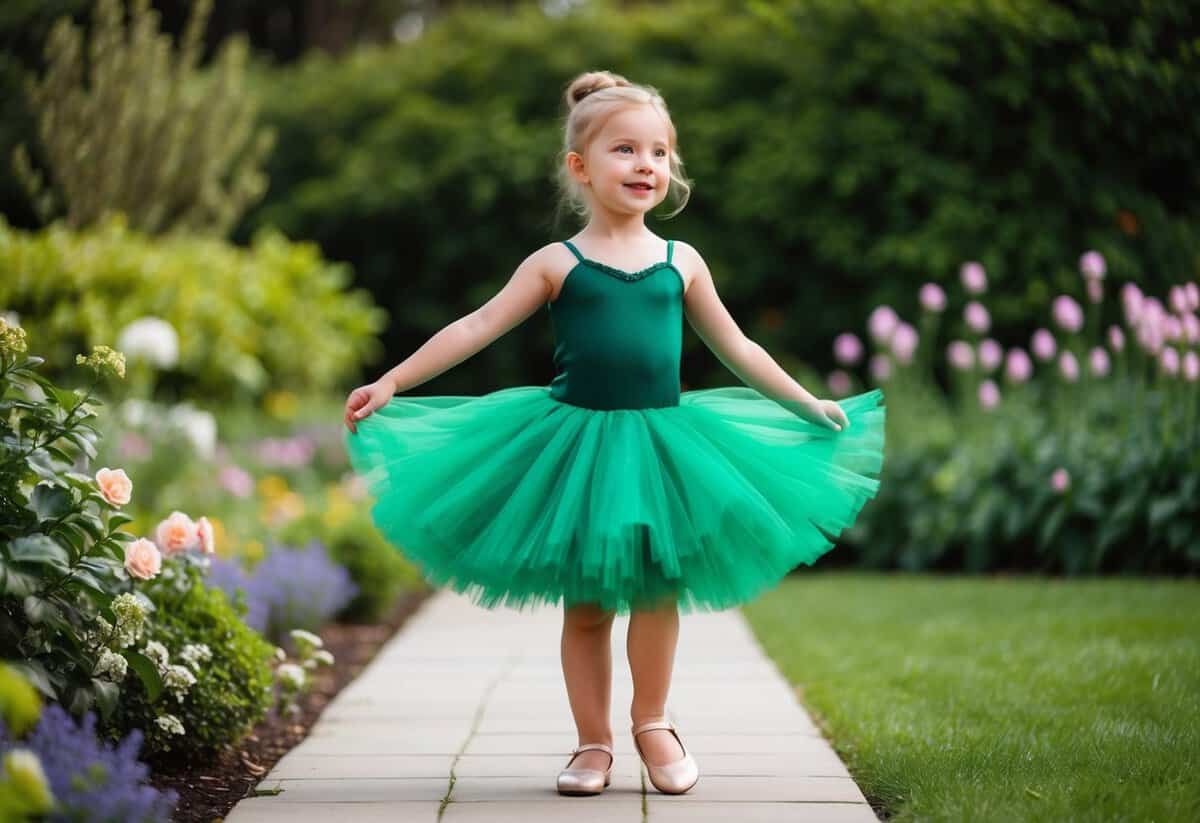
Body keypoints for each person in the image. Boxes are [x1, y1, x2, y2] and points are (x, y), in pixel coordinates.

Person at [342, 69, 886, 798]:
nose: (645, 166)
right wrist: (396, 381)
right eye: (625, 150)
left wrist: (804, 402)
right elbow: (475, 325)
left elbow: (740, 348)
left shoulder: (680, 261)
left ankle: (653, 721)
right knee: (590, 603)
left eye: (659, 152)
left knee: (658, 591)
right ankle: (593, 741)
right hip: (576, 451)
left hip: (666, 449)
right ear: (580, 168)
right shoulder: (556, 263)